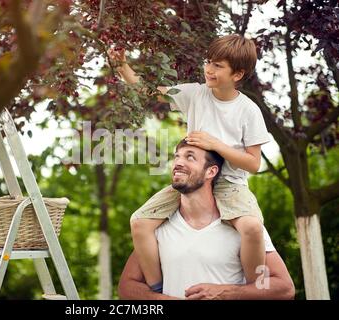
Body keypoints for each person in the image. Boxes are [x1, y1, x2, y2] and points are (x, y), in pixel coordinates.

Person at [108, 34, 270, 292]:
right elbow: (149, 92)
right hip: (193, 183)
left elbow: (253, 163)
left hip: (229, 185)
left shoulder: (248, 110)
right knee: (139, 221)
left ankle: (252, 292)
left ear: (237, 74)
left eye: (218, 65)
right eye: (209, 62)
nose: (208, 68)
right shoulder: (196, 94)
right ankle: (158, 286)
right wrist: (121, 66)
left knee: (251, 227)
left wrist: (216, 144)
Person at [117, 140, 295, 300]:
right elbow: (126, 287)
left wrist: (227, 293)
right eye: (177, 157)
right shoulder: (157, 226)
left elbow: (285, 288)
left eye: (190, 157)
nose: (178, 162)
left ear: (211, 171)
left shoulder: (243, 226)